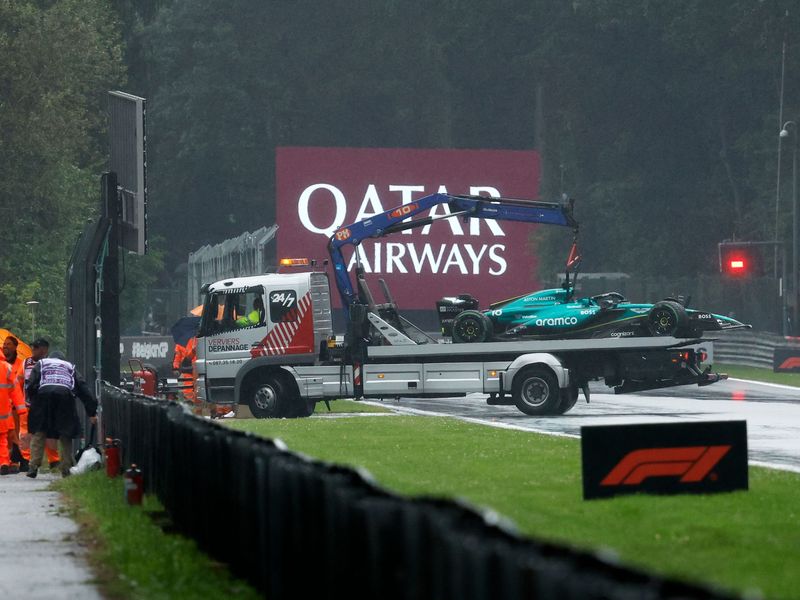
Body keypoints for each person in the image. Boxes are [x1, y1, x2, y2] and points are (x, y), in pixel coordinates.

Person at [25, 351, 98, 478]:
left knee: (40, 430)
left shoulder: (42, 363)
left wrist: (33, 400)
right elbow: (83, 388)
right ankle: (65, 469)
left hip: (43, 395)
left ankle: (33, 466)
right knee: (66, 432)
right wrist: (91, 411)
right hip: (65, 395)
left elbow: (31, 384)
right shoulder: (69, 366)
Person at [22, 339, 60, 470]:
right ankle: (27, 461)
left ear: (44, 349)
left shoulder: (50, 364)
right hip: (28, 404)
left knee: (49, 433)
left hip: (47, 405)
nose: (33, 349)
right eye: (32, 347)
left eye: (36, 347)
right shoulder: (25, 363)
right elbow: (19, 382)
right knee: (28, 434)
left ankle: (54, 460)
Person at [1, 336, 27, 473]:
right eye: (4, 344)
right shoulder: (5, 366)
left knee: (13, 436)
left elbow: (20, 387)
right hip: (6, 409)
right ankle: (6, 461)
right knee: (6, 437)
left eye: (8, 344)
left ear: (15, 347)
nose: (5, 346)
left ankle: (15, 461)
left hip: (14, 410)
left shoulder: (20, 364)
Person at [0, 357, 22, 475]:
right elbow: (15, 389)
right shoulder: (6, 367)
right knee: (2, 439)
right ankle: (4, 462)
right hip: (2, 412)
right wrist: (20, 408)